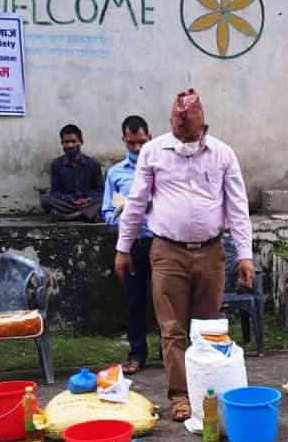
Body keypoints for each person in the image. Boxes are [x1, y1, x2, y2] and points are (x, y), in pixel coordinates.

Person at [114, 89, 254, 422]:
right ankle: (180, 396)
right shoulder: (153, 151)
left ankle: (208, 391)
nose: (183, 139)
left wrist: (245, 255)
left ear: (203, 125)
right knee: (172, 329)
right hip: (167, 251)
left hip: (210, 252)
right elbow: (135, 204)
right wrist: (123, 248)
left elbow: (237, 207)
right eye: (178, 132)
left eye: (190, 133)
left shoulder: (222, 154)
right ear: (171, 125)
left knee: (208, 329)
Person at [102, 115, 155, 375]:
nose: (136, 149)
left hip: (160, 242)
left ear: (150, 138)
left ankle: (173, 353)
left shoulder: (161, 167)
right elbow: (106, 213)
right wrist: (120, 214)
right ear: (124, 140)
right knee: (134, 300)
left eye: (141, 143)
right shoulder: (115, 173)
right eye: (131, 143)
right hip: (132, 245)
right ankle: (137, 353)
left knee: (167, 300)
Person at [41, 124, 103, 223]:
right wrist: (72, 200)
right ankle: (87, 214)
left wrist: (87, 199)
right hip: (68, 203)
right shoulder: (56, 165)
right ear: (62, 143)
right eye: (66, 142)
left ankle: (69, 217)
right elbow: (56, 191)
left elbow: (100, 190)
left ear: (81, 142)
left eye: (73, 141)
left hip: (88, 202)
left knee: (105, 198)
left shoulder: (93, 164)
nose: (70, 145)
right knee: (45, 199)